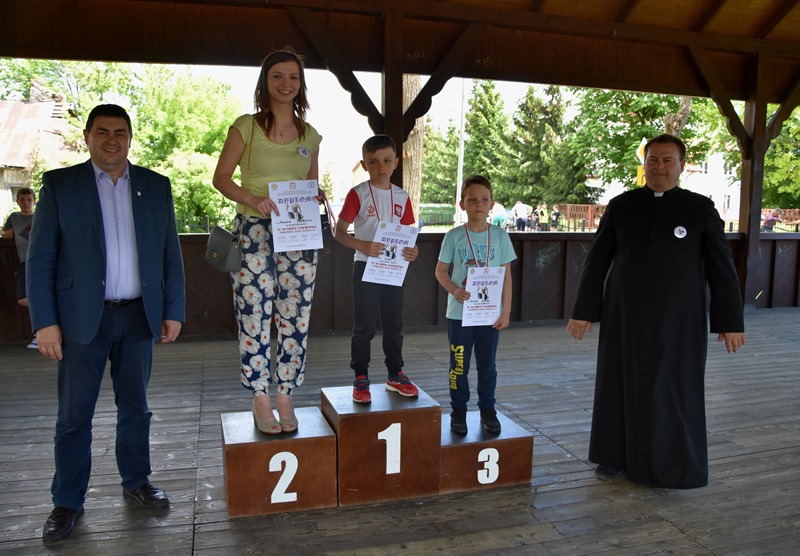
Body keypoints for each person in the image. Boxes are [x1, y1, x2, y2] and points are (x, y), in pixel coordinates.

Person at [26, 104, 186, 543]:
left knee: (136, 408)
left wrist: (173, 309)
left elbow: (170, 253)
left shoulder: (155, 185)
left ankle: (137, 481)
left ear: (130, 138)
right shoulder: (60, 185)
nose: (111, 140)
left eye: (120, 132)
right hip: (80, 321)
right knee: (73, 417)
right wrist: (45, 322)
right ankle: (67, 501)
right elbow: (40, 260)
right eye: (102, 132)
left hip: (138, 317)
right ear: (88, 137)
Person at [566, 134, 745, 489]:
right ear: (644, 163)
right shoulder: (621, 206)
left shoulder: (700, 209)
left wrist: (730, 321)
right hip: (624, 315)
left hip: (679, 319)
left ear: (681, 165)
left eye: (667, 160)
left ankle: (670, 466)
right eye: (653, 160)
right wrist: (583, 311)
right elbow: (597, 261)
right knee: (617, 382)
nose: (659, 167)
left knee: (674, 389)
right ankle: (612, 456)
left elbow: (722, 268)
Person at [212, 48, 322, 435]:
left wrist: (316, 194)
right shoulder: (246, 126)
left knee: (296, 314)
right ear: (265, 81)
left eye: (293, 77)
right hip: (254, 230)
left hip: (299, 233)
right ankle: (260, 396)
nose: (285, 83)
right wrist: (252, 198)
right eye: (277, 75)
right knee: (253, 314)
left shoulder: (310, 135)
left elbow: (310, 183)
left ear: (300, 84)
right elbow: (221, 177)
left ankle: (286, 395)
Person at [335, 134, 420, 403]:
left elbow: (407, 235)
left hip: (394, 269)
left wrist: (413, 251)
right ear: (364, 164)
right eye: (373, 162)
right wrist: (362, 245)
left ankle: (395, 374)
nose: (380, 167)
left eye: (386, 161)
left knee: (394, 324)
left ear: (396, 162)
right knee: (364, 326)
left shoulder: (402, 196)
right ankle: (360, 377)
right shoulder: (358, 193)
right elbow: (339, 232)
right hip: (365, 267)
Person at [435, 175, 516, 435]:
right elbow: (440, 272)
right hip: (459, 314)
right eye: (472, 200)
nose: (478, 204)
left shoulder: (500, 237)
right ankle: (458, 411)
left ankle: (487, 410)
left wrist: (506, 311)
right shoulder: (454, 236)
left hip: (489, 315)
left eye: (484, 200)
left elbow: (506, 276)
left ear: (491, 204)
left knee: (487, 365)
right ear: (462, 204)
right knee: (459, 364)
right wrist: (454, 290)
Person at [2, 187, 37, 348]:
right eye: (22, 199)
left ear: (34, 201)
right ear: (17, 201)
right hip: (24, 261)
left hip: (41, 261)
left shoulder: (40, 216)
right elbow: (5, 233)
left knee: (39, 296)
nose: (26, 203)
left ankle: (38, 334)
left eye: (29, 199)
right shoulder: (14, 217)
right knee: (23, 299)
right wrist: (6, 234)